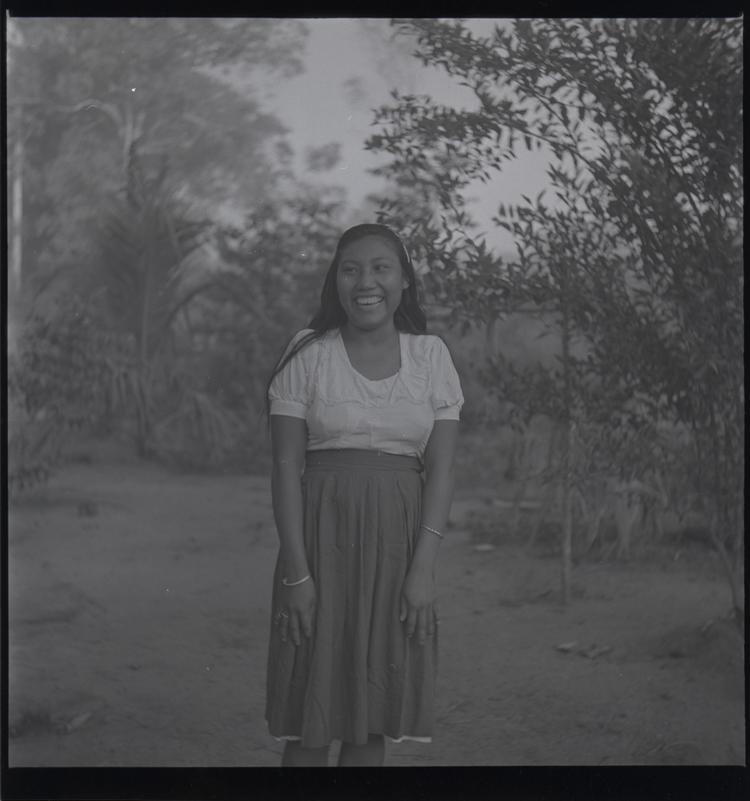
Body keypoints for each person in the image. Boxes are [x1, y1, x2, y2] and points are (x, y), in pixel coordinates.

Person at [264, 223, 463, 767]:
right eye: (350, 268)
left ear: (404, 281)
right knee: (310, 718)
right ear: (336, 280)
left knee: (368, 718)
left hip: (398, 551)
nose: (365, 281)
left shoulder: (430, 357)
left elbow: (441, 471)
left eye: (380, 268)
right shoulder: (308, 352)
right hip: (318, 542)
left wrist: (423, 571)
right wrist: (297, 576)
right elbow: (285, 471)